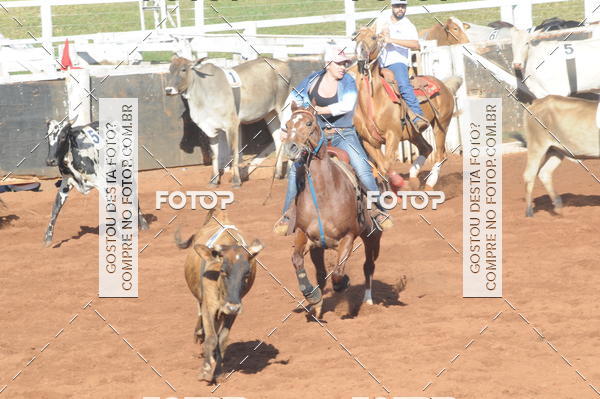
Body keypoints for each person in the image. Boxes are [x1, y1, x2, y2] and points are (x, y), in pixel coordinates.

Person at [273, 44, 393, 236]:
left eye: (345, 63)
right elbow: (292, 101)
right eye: (339, 63)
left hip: (343, 134)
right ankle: (288, 214)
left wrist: (320, 110)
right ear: (328, 64)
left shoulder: (348, 82)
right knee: (295, 171)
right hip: (316, 136)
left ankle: (377, 209)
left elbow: (346, 105)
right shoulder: (311, 81)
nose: (343, 67)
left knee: (362, 168)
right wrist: (284, 129)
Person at [376, 0, 429, 133]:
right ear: (392, 6)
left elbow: (416, 45)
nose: (400, 9)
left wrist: (391, 40)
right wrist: (380, 36)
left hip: (397, 62)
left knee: (404, 86)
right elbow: (375, 37)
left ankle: (418, 116)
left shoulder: (408, 25)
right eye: (398, 6)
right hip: (378, 61)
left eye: (403, 6)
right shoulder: (382, 20)